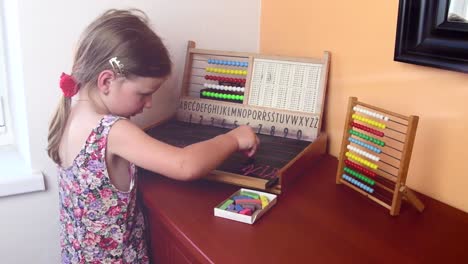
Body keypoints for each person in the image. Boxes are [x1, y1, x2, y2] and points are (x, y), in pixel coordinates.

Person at [47, 9, 259, 264]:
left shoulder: (71, 109)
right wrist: (234, 138)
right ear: (106, 82)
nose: (148, 104)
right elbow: (185, 165)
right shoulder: (113, 130)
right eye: (143, 93)